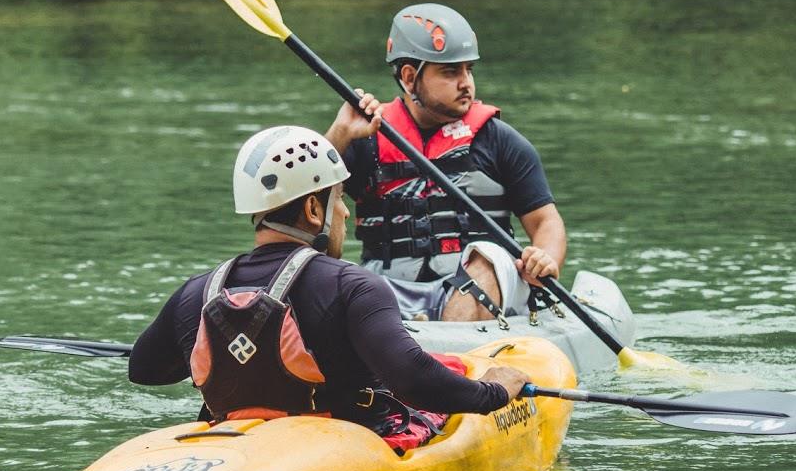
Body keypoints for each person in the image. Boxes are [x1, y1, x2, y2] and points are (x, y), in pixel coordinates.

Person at [128, 125, 530, 450]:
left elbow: (144, 369)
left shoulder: (196, 293)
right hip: (341, 451)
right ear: (312, 209)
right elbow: (414, 381)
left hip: (237, 449)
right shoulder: (353, 285)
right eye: (339, 200)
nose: (344, 213)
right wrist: (493, 391)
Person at [324, 3, 567, 323]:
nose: (466, 82)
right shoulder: (365, 139)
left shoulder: (498, 140)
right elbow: (307, 217)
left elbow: (546, 222)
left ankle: (450, 350)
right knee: (343, 279)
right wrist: (339, 135)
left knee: (488, 259)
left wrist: (544, 258)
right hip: (391, 291)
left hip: (483, 292)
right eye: (451, 72)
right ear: (410, 78)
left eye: (469, 69)